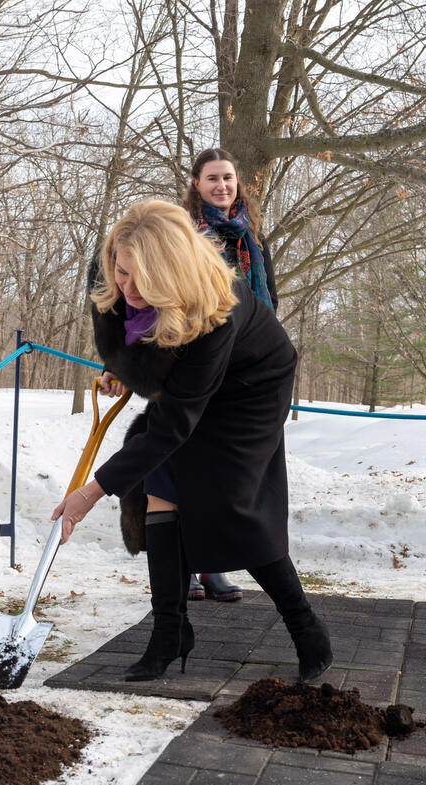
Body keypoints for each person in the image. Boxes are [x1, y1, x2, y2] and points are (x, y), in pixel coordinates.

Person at [52, 199, 331, 683]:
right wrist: (119, 367)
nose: (128, 288)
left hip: (251, 389)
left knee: (232, 505)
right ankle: (169, 633)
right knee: (161, 488)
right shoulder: (119, 286)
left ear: (172, 273)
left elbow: (172, 426)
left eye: (143, 280)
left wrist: (90, 493)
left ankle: (306, 628)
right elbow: (139, 346)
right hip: (194, 384)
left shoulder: (216, 306)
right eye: (122, 272)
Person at [175, 147, 279, 603]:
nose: (221, 186)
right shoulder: (182, 234)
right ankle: (180, 566)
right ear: (196, 184)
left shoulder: (253, 238)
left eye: (228, 178)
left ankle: (212, 566)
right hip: (194, 360)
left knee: (222, 472)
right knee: (185, 469)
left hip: (242, 367)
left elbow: (269, 300)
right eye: (212, 178)